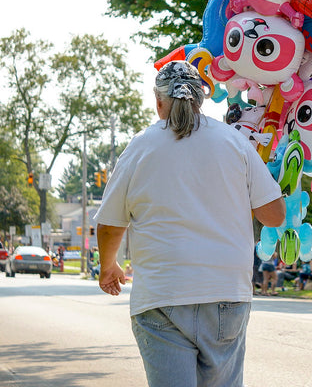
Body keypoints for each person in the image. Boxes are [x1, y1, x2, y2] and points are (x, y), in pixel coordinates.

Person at [94, 60, 286, 387]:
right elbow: (274, 215)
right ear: (202, 98)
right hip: (226, 294)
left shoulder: (139, 147)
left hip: (161, 296)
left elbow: (111, 224)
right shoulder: (235, 142)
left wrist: (108, 265)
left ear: (158, 102)